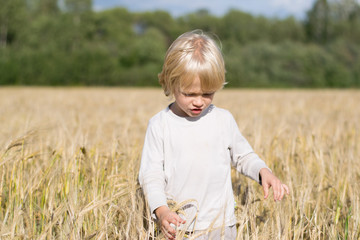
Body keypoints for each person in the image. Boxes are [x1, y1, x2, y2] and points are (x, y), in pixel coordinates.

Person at [138, 30, 289, 240]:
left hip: (222, 225)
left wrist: (264, 172)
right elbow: (151, 174)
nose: (199, 101)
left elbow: (243, 156)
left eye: (207, 93)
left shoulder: (223, 120)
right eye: (190, 94)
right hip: (180, 226)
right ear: (172, 84)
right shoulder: (160, 125)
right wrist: (161, 210)